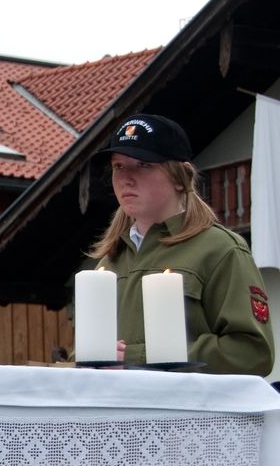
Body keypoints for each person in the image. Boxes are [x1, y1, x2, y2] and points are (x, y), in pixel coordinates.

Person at [87, 113, 273, 374]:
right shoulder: (110, 261)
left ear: (179, 177)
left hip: (189, 414)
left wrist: (138, 356)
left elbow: (252, 354)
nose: (126, 178)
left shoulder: (220, 250)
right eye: (118, 166)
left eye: (142, 165)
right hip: (119, 413)